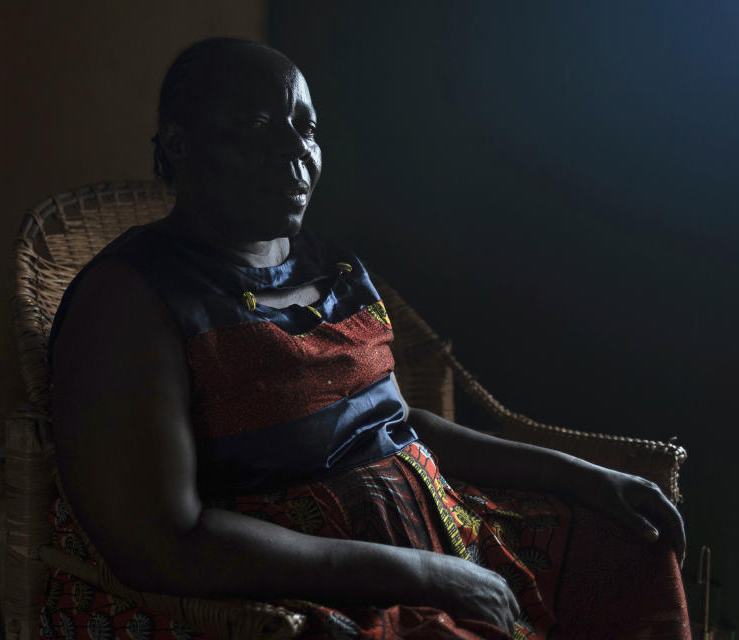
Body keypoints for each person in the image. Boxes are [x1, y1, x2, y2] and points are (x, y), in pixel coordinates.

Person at [44, 38, 689, 640]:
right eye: (260, 125)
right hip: (292, 598)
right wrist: (422, 575)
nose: (296, 152)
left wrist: (590, 480)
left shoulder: (334, 269)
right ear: (181, 145)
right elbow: (163, 543)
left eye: (307, 128)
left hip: (440, 539)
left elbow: (397, 425)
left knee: (629, 546)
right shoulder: (133, 299)